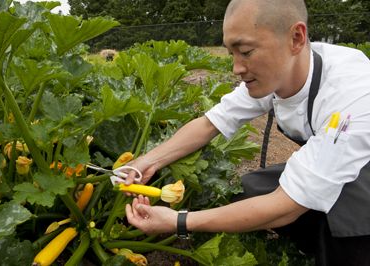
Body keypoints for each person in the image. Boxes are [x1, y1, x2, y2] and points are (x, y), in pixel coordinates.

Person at [124, 0, 370, 265]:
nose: (236, 68)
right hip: (338, 159)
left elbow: (287, 205)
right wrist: (146, 162)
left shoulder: (350, 93)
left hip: (363, 174)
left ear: (296, 38)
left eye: (246, 52)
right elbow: (210, 123)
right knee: (254, 189)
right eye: (232, 53)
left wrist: (180, 221)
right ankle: (312, 246)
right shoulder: (284, 69)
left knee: (347, 225)